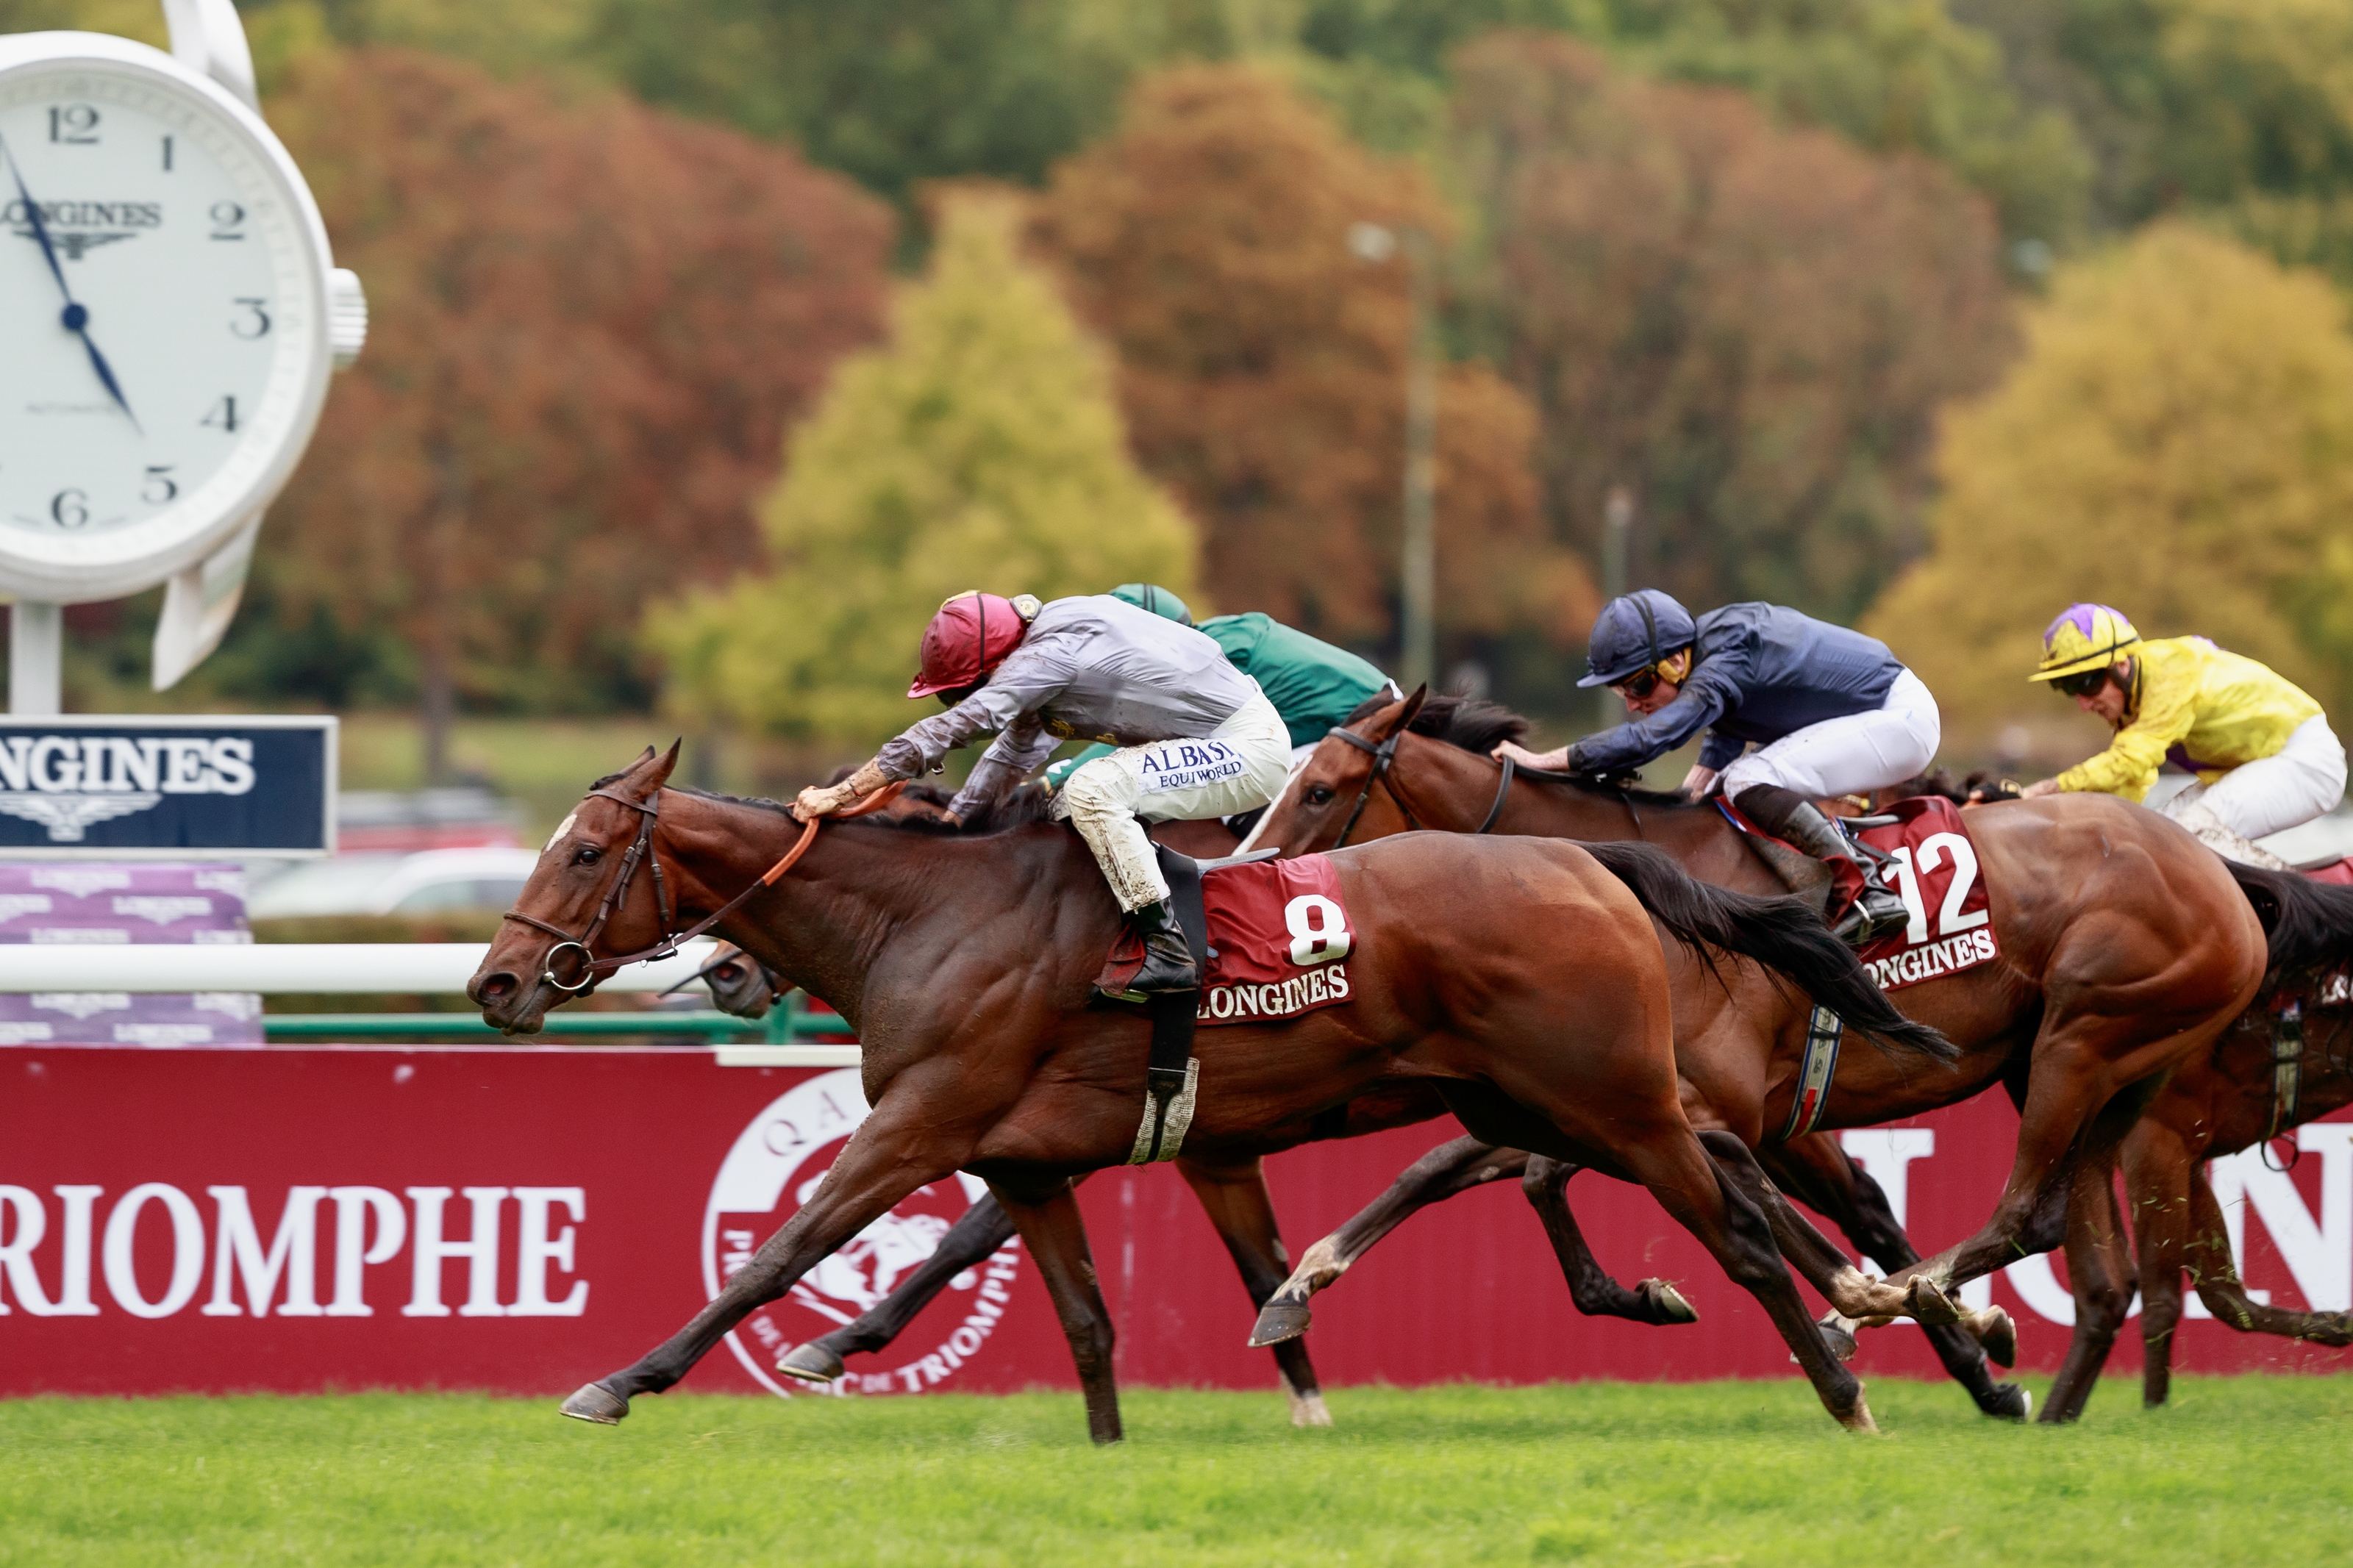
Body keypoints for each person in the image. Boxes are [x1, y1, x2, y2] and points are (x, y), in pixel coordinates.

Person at [794, 590, 1291, 995]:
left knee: (1092, 788)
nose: (965, 698)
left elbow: (967, 724)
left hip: (1247, 748)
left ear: (993, 665)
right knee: (1055, 804)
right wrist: (951, 830)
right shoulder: (1049, 637)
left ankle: (1167, 950)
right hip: (1222, 738)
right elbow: (1006, 759)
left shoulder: (1047, 657)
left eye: (966, 687)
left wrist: (842, 793)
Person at [1492, 589, 1938, 942]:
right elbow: (1726, 731)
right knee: (1732, 782)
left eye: (1640, 683)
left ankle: (1866, 890)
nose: (1632, 703)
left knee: (1748, 778)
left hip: (1898, 718)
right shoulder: (1711, 652)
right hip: (1884, 714)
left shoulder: (1722, 656)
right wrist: (1691, 793)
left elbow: (1653, 739)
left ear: (1675, 661)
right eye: (1619, 691)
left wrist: (1540, 760)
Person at [2021, 604, 2346, 868]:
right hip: (2261, 765)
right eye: (2066, 687)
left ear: (2121, 665)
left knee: (2184, 840)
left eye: (2087, 682)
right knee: (2150, 838)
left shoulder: (2172, 674)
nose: (2083, 702)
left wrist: (2037, 794)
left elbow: (2128, 761)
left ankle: (2305, 909)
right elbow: (2129, 787)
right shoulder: (2134, 699)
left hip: (2306, 761)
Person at [1041, 583, 1399, 790]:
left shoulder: (1203, 659)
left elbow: (1144, 743)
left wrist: (1056, 779)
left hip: (1363, 727)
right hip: (1360, 713)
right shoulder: (1218, 637)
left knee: (1215, 794)